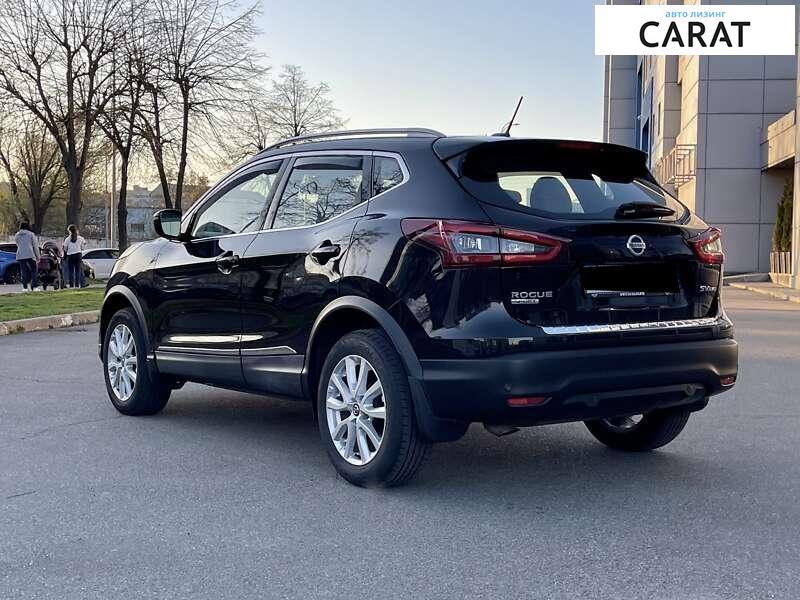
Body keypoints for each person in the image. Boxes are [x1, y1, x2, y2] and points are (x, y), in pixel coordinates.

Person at [14, 220, 41, 292]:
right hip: (30, 254)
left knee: (23, 271)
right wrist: (38, 257)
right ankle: (35, 287)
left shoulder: (17, 235)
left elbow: (17, 244)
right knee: (34, 270)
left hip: (20, 255)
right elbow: (35, 246)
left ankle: (25, 288)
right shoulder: (31, 234)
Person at [63, 224, 86, 288]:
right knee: (78, 271)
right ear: (76, 230)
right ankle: (77, 285)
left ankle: (71, 285)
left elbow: (65, 248)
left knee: (71, 272)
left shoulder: (67, 239)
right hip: (78, 255)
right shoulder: (81, 238)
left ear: (69, 231)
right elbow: (83, 247)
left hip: (70, 256)